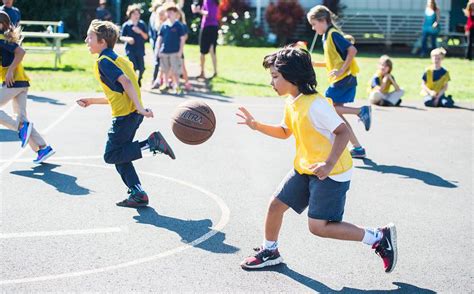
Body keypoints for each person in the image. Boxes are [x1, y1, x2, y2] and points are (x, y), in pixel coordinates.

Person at [237, 46, 397, 274]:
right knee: (275, 206)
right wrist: (257, 126)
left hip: (331, 172)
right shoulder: (292, 101)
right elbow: (285, 131)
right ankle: (270, 251)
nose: (271, 82)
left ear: (292, 77)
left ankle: (378, 237)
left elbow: (342, 131)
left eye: (275, 77)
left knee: (319, 227)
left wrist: (329, 163)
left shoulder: (317, 105)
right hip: (306, 167)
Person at [78, 20, 175, 208]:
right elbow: (119, 94)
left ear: (102, 41)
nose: (86, 40)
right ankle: (138, 193)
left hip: (126, 117)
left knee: (111, 155)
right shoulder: (119, 59)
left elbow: (126, 83)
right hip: (130, 114)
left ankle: (151, 143)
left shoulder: (103, 62)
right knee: (121, 156)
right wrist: (92, 101)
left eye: (90, 37)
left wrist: (140, 108)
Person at [307, 5, 371, 159]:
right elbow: (334, 61)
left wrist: (341, 71)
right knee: (337, 114)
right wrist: (317, 64)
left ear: (323, 20)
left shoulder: (333, 34)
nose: (313, 28)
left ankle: (361, 111)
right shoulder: (326, 36)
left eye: (314, 24)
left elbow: (352, 50)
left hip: (344, 78)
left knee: (330, 107)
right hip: (341, 79)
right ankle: (357, 148)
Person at [0, 12, 55, 164]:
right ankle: (42, 148)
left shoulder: (2, 40)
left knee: (22, 124)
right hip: (21, 83)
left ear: (2, 25)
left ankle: (20, 126)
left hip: (14, 83)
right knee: (24, 121)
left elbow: (21, 52)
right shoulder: (4, 39)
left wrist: (10, 70)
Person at [156, 2, 186, 94]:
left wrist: (180, 51)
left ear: (176, 13)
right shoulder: (164, 25)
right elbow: (159, 39)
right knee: (164, 69)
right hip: (164, 51)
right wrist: (158, 50)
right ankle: (165, 84)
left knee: (175, 70)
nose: (169, 14)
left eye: (171, 12)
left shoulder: (178, 25)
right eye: (168, 12)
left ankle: (176, 85)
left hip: (175, 51)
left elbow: (182, 39)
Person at [120, 4, 148, 87]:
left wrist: (140, 32)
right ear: (130, 14)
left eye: (138, 14)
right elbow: (121, 37)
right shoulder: (126, 25)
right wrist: (128, 39)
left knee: (142, 68)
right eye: (134, 14)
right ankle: (133, 81)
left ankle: (139, 79)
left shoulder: (142, 24)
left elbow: (146, 37)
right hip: (130, 50)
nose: (136, 16)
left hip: (140, 49)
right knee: (133, 66)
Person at [192, 0, 219, 79]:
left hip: (207, 27)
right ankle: (214, 71)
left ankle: (202, 72)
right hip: (213, 27)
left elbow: (208, 14)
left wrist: (198, 11)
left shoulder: (208, 1)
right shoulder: (213, 1)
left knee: (203, 51)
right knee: (212, 50)